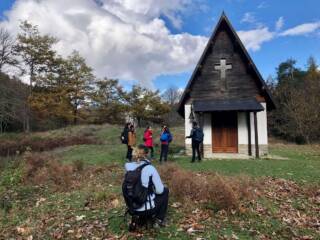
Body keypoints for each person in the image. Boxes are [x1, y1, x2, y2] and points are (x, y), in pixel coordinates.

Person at [123, 144, 169, 228]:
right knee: (165, 191)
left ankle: (140, 218)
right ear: (146, 155)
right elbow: (160, 190)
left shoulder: (127, 166)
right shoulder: (150, 168)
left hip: (132, 209)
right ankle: (159, 220)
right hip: (147, 209)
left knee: (139, 191)